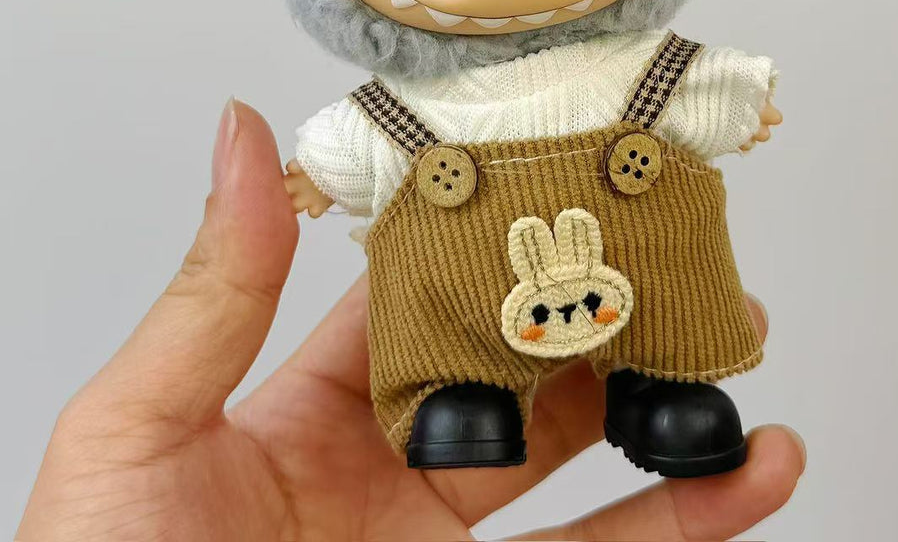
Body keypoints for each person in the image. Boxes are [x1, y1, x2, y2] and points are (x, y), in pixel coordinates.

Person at [19, 100, 806, 541]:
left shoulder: (638, 66)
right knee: (431, 301)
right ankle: (465, 393)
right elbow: (355, 141)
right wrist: (320, 175)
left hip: (633, 258)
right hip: (465, 282)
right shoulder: (408, 104)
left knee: (669, 287)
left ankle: (657, 383)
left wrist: (729, 104)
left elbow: (699, 94)